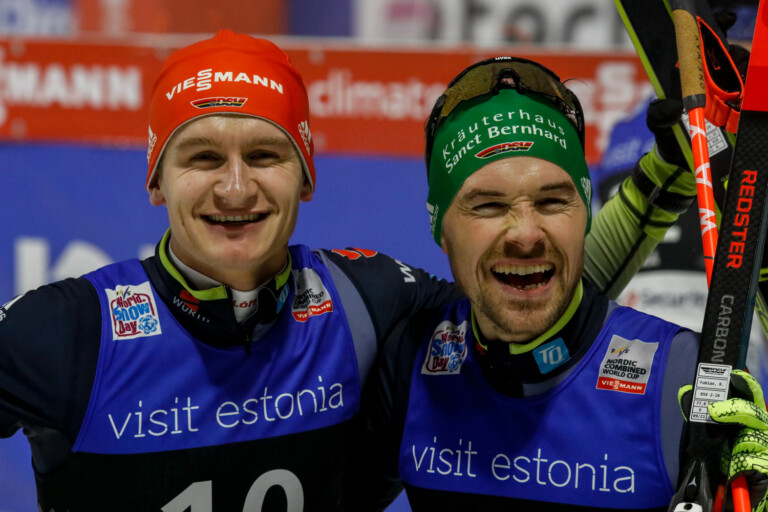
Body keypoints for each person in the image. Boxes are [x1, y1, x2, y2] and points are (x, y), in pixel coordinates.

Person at [0, 31, 715, 511]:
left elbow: (532, 286)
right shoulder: (71, 331)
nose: (237, 189)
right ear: (156, 178)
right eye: (203, 158)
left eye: (268, 155)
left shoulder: (366, 306)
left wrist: (662, 179)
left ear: (307, 175)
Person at [347, 57, 768, 511]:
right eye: (487, 205)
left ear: (584, 211)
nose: (526, 235)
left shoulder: (684, 383)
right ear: (440, 227)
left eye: (553, 201)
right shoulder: (409, 360)